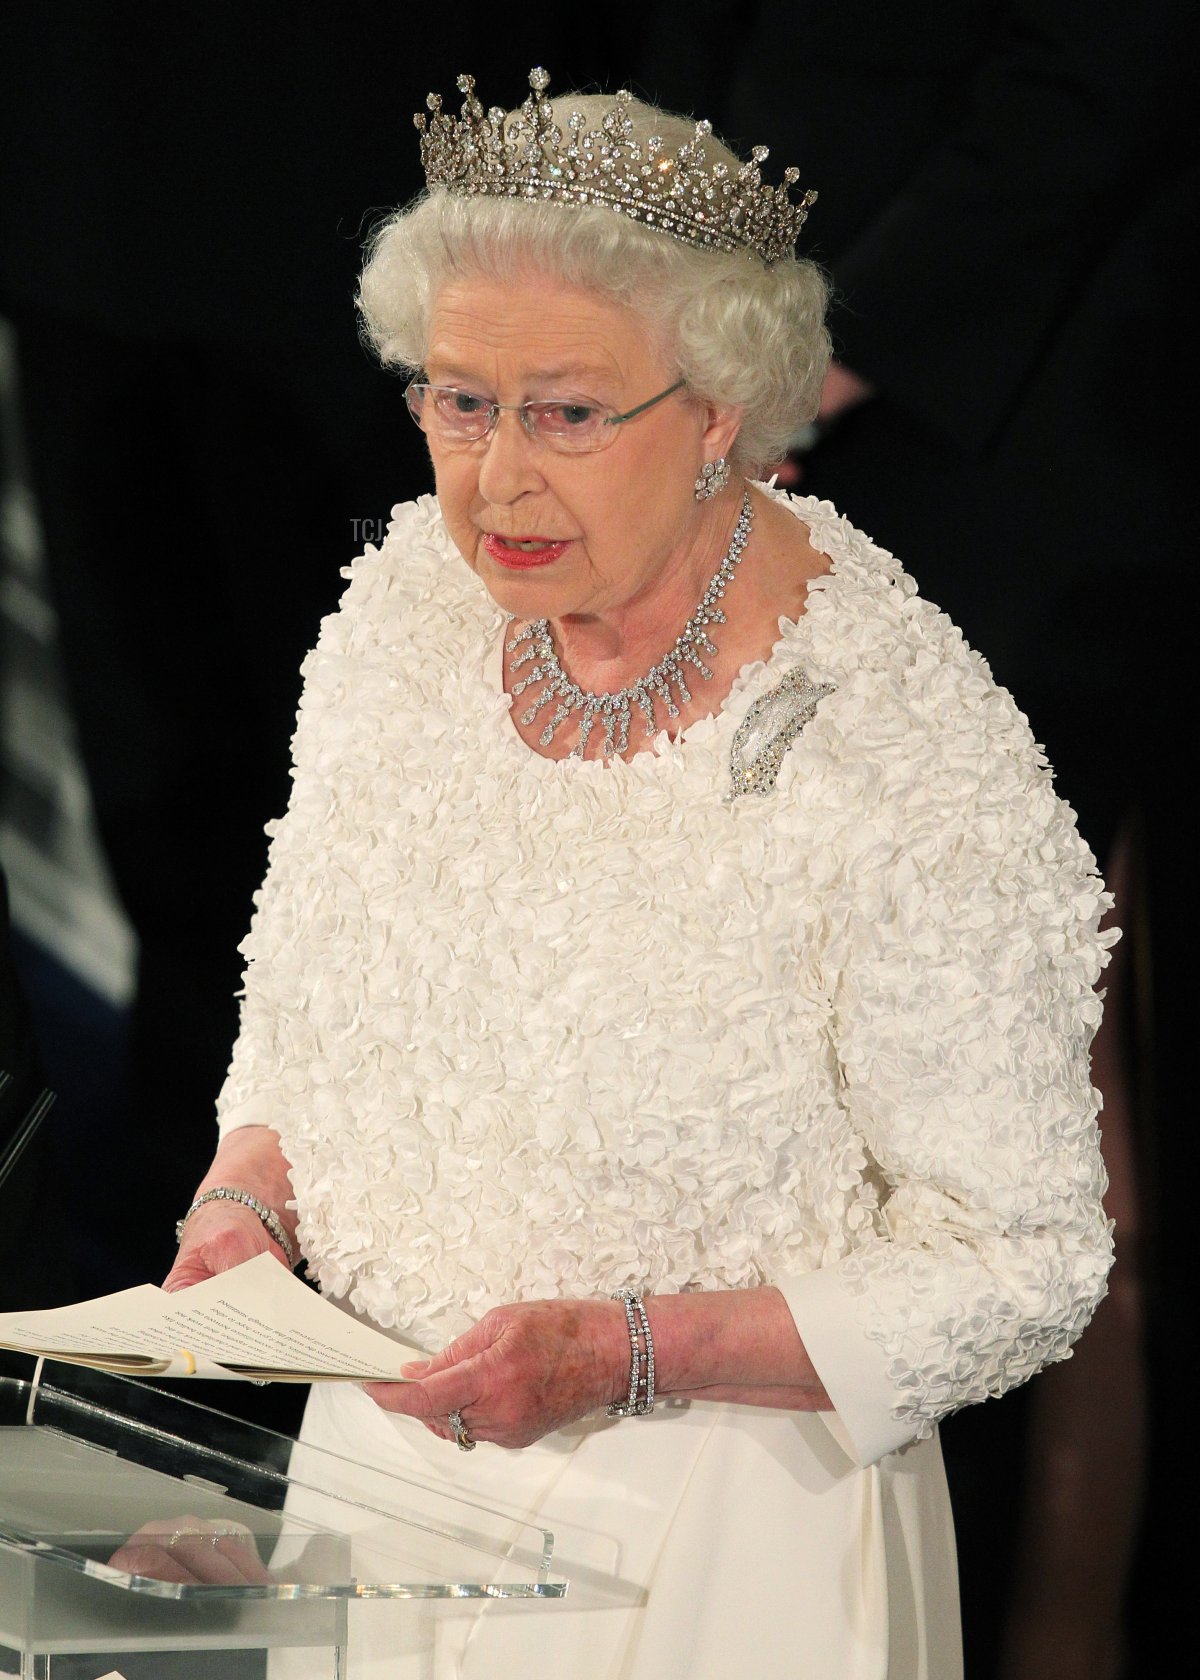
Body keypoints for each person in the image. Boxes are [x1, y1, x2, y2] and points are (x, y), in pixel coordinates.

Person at [161, 71, 1115, 1679]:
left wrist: (626, 1352)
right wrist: (247, 1191)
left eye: (568, 412)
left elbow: (1026, 1265)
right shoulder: (401, 613)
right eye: (456, 401)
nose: (496, 480)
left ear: (725, 406)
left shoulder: (897, 746)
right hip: (379, 1489)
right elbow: (311, 1005)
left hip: (723, 1543)